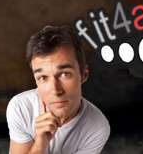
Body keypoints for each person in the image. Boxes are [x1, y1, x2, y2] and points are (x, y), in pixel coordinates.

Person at [7, 24, 110, 153]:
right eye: (43, 77)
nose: (55, 91)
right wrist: (39, 145)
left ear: (83, 75)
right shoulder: (21, 107)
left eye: (65, 74)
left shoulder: (97, 127)